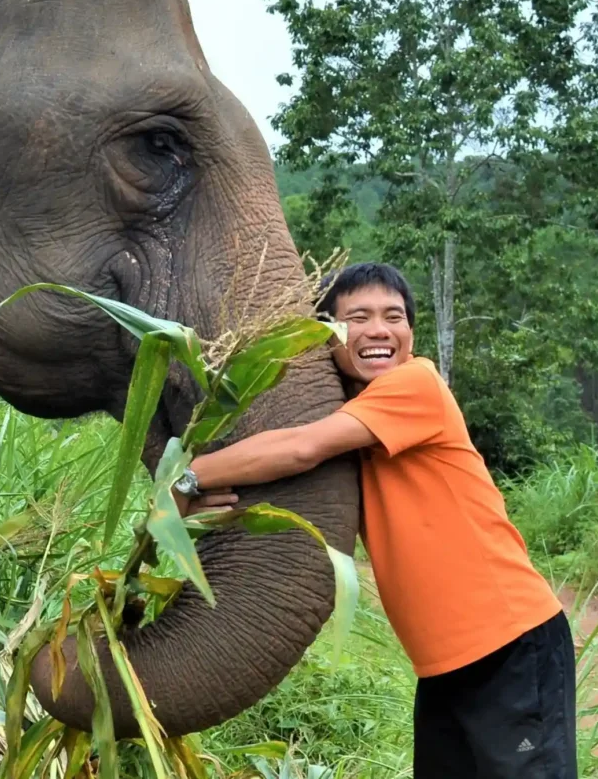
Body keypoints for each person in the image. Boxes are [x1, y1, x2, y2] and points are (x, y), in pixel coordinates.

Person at [172, 262, 577, 779]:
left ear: (411, 333)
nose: (379, 330)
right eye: (356, 318)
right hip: (443, 665)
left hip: (509, 642)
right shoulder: (356, 419)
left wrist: (186, 478)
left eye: (394, 317)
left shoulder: (415, 384)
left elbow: (300, 449)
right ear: (328, 336)